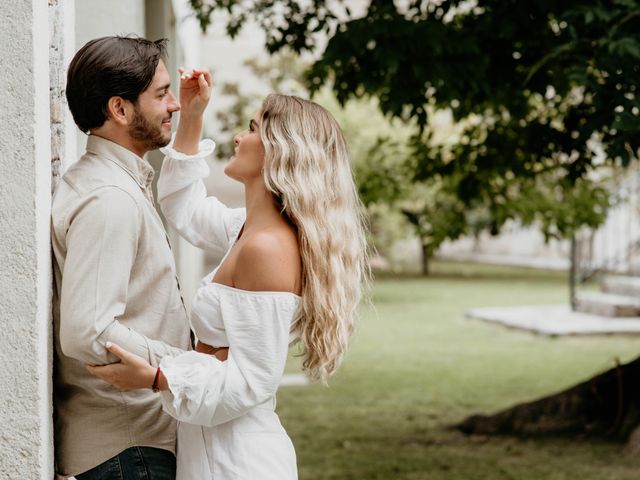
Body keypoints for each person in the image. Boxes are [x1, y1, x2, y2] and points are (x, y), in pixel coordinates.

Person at [86, 69, 369, 479]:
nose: (238, 137)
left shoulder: (266, 249)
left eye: (252, 129)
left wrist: (156, 377)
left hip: (238, 461)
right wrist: (193, 115)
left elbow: (253, 382)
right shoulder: (249, 230)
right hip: (213, 448)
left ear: (280, 151)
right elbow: (183, 206)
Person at [51, 36, 193, 479]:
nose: (174, 104)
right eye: (160, 93)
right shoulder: (109, 199)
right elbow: (86, 331)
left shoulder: (111, 182)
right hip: (128, 452)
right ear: (120, 109)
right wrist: (181, 365)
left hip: (132, 450)